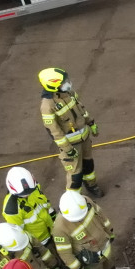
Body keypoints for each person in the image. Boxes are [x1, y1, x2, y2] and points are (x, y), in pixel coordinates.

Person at [38, 67, 103, 197]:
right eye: (63, 82)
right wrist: (67, 149)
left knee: (88, 165)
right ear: (53, 86)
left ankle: (91, 185)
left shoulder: (70, 93)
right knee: (75, 176)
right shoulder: (48, 105)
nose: (68, 83)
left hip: (84, 139)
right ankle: (73, 200)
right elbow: (54, 131)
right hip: (71, 145)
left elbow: (81, 109)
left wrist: (90, 123)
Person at [52, 190, 121, 269]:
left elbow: (101, 216)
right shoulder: (59, 228)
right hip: (90, 261)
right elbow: (65, 253)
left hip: (104, 246)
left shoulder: (85, 202)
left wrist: (109, 231)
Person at [2, 166, 58, 255]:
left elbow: (43, 201)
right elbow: (19, 232)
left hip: (52, 228)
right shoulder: (12, 211)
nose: (28, 194)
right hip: (41, 241)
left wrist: (52, 213)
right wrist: (33, 246)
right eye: (23, 194)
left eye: (30, 192)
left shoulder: (33, 187)